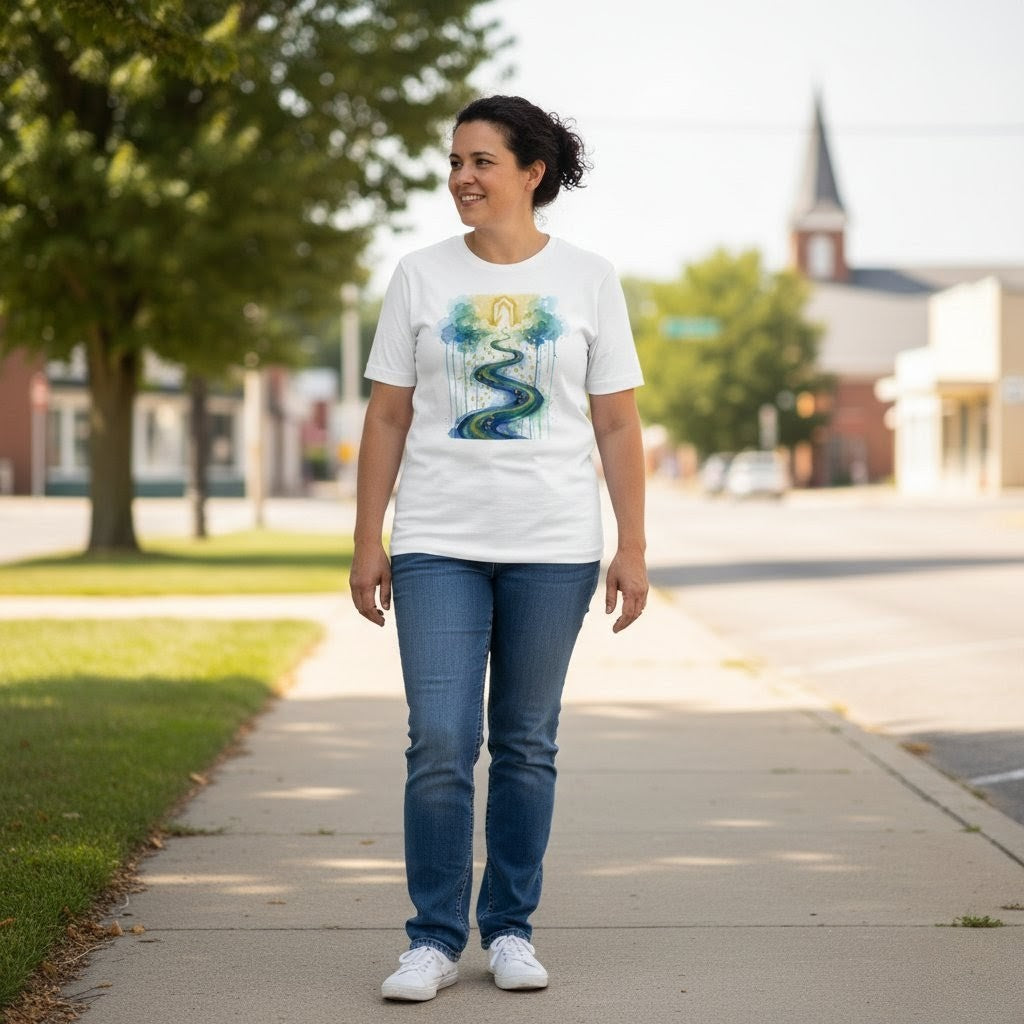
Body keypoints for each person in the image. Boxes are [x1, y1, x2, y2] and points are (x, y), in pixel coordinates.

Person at [349, 94, 648, 1002]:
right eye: (454, 162)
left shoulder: (591, 278)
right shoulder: (419, 275)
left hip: (553, 545)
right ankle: (433, 939)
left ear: (532, 173)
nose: (461, 179)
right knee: (441, 738)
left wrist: (632, 545)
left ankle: (510, 928)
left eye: (481, 161)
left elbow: (617, 422)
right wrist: (369, 538)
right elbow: (389, 413)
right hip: (438, 538)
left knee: (525, 742)